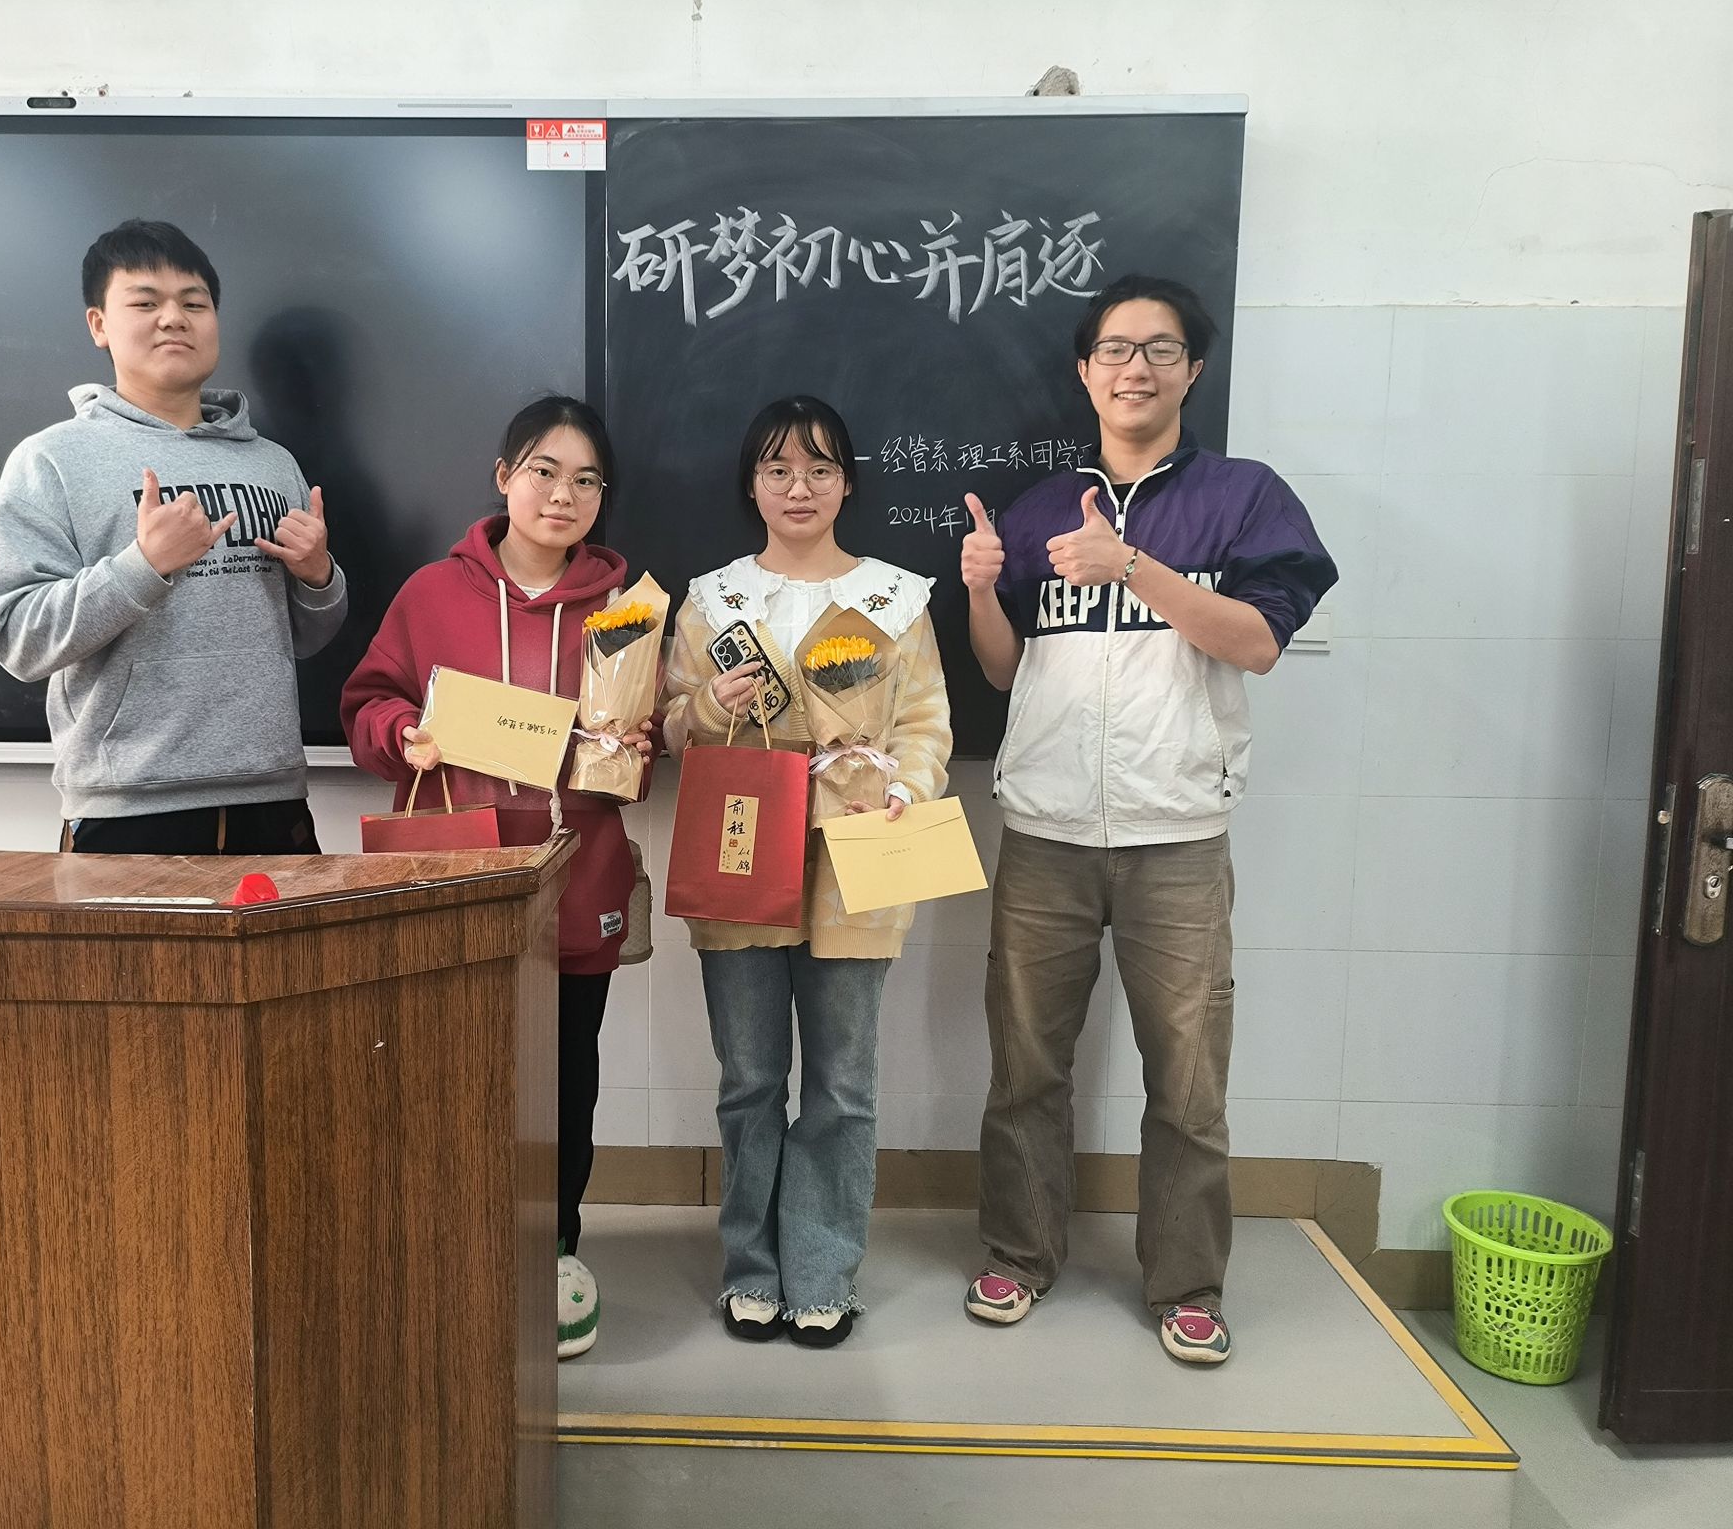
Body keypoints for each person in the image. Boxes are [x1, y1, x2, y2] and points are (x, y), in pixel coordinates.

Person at [958, 274, 1336, 1365]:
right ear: (1084, 372)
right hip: (1045, 831)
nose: (1135, 368)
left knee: (1188, 1080)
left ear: (1192, 370)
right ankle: (1019, 1254)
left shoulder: (1244, 497)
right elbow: (1003, 672)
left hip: (1178, 834)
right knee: (1024, 1067)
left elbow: (1255, 642)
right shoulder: (1037, 508)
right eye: (1115, 350)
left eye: (1159, 349)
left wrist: (1130, 565)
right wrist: (981, 591)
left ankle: (1186, 1283)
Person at [340, 396, 653, 1361]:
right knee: (453, 1072)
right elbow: (366, 702)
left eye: (586, 480)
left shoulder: (629, 610)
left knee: (567, 1079)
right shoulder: (433, 593)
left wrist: (637, 746)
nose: (564, 495)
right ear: (504, 477)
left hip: (579, 873)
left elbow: (642, 751)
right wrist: (403, 733)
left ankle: (556, 1251)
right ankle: (455, 1248)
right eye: (544, 472)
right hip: (457, 871)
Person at [662, 395, 952, 1348]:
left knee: (841, 1084)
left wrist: (904, 787)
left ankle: (823, 1272)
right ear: (751, 483)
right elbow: (667, 728)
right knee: (750, 1079)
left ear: (847, 483)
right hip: (742, 848)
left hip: (856, 852)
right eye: (779, 469)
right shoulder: (711, 600)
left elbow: (926, 723)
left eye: (820, 469)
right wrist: (708, 703)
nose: (799, 488)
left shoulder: (895, 599)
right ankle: (751, 1267)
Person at [0, 219, 347, 854]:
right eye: (145, 303)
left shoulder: (271, 463)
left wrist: (318, 579)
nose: (174, 318)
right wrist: (143, 566)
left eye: (194, 303)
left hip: (274, 798)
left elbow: (306, 640)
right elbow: (18, 637)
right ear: (99, 325)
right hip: (128, 808)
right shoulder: (52, 460)